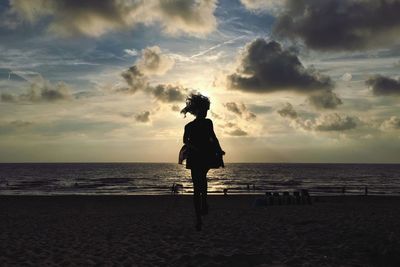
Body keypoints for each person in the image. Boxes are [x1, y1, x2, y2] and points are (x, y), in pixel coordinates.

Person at [180, 93, 225, 231]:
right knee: (198, 185)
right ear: (199, 110)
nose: (206, 113)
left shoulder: (205, 123)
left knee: (199, 183)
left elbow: (213, 138)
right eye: (205, 110)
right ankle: (200, 214)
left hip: (202, 155)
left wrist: (220, 151)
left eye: (207, 110)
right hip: (198, 155)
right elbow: (185, 141)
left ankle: (202, 207)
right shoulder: (193, 126)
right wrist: (217, 151)